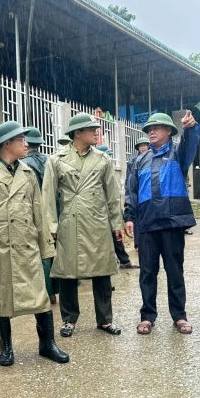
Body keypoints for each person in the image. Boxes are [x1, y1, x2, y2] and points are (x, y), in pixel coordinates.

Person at [0, 121, 69, 366]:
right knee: (0, 299)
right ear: (6, 143)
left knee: (40, 296)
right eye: (21, 139)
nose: (26, 144)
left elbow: (39, 211)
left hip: (27, 246)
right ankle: (6, 347)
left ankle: (47, 344)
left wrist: (45, 247)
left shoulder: (28, 173)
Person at [43, 113, 125, 337]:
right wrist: (51, 226)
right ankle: (69, 319)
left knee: (102, 271)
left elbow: (113, 194)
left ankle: (105, 320)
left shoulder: (103, 159)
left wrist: (117, 223)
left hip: (97, 220)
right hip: (70, 220)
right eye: (91, 129)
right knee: (68, 271)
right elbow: (48, 196)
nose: (96, 132)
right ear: (77, 133)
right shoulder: (56, 159)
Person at [124, 111, 199, 335]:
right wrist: (129, 217)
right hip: (147, 223)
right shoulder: (138, 162)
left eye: (157, 128)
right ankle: (147, 316)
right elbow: (131, 191)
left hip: (172, 222)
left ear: (169, 131)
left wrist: (191, 128)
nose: (152, 132)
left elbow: (191, 143)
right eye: (149, 129)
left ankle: (179, 315)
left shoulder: (178, 154)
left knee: (175, 271)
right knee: (147, 272)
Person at [21, 127, 59, 304]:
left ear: (26, 143)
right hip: (52, 210)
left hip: (34, 210)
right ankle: (54, 291)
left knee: (40, 252)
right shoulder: (49, 160)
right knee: (52, 250)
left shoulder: (24, 165)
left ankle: (44, 291)